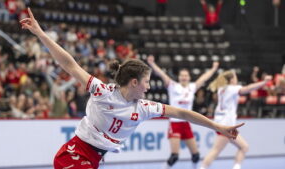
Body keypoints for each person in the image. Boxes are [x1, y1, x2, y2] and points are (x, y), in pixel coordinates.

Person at [20, 8, 244, 169]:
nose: (148, 87)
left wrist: (217, 126)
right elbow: (69, 64)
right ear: (134, 82)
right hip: (74, 154)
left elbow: (183, 113)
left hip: (95, 159)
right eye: (146, 82)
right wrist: (41, 34)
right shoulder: (102, 91)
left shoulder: (145, 107)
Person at [147, 55, 219, 169]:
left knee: (196, 155)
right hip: (175, 124)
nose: (184, 77)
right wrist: (152, 63)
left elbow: (204, 78)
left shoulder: (192, 87)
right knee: (174, 157)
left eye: (186, 75)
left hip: (186, 124)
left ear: (189, 77)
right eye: (182, 75)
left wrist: (214, 69)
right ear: (179, 77)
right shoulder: (173, 86)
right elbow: (162, 74)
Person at [200, 70, 272, 169]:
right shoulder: (232, 88)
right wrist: (263, 82)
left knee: (244, 147)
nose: (236, 78)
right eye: (235, 77)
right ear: (232, 79)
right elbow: (247, 89)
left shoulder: (222, 88)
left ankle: (236, 167)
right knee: (216, 150)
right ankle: (203, 167)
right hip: (226, 126)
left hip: (225, 125)